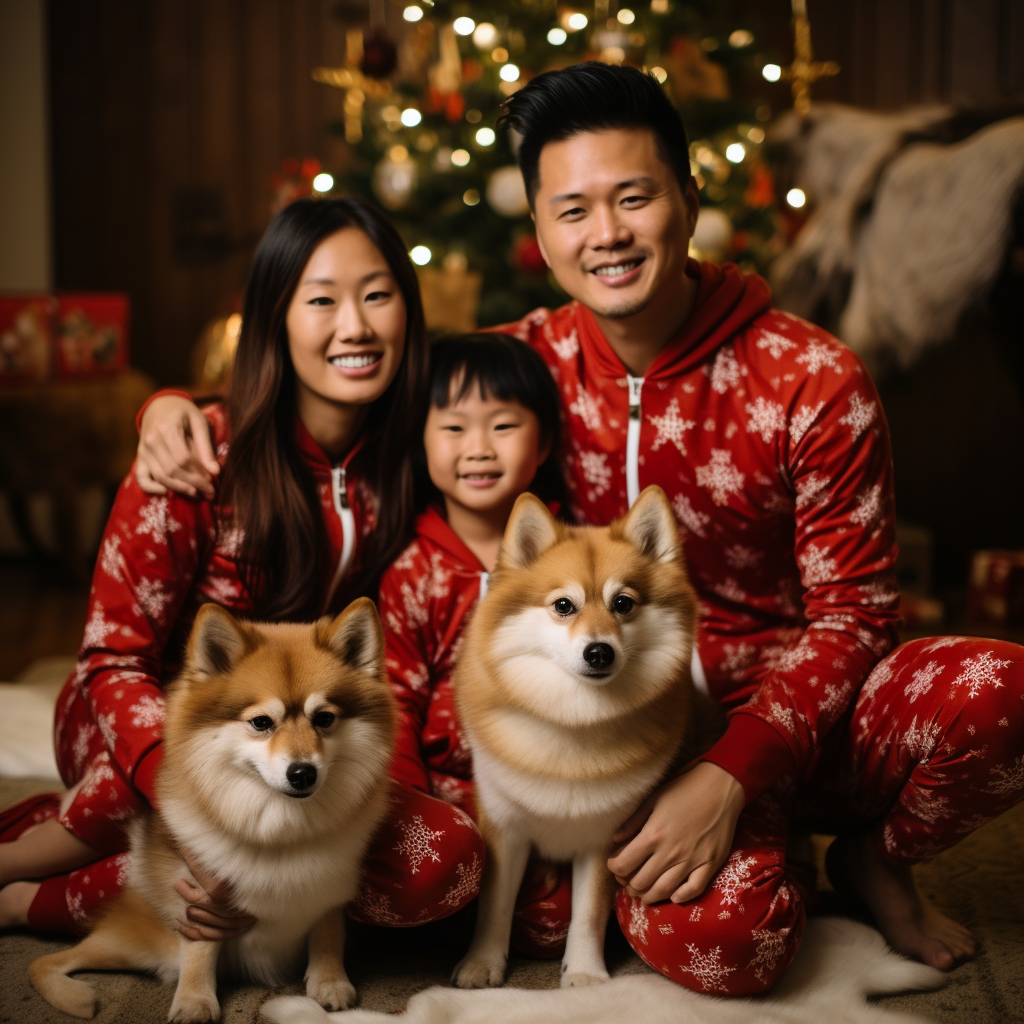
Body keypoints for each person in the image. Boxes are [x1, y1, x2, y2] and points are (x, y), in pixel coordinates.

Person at [130, 64, 1024, 994]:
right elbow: (356, 378)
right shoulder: (524, 363)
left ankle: (867, 855)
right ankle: (736, 873)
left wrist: (729, 774)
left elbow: (857, 619)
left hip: (782, 724)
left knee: (1004, 690)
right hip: (602, 747)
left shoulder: (813, 377)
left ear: (688, 194)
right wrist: (178, 404)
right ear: (541, 232)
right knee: (723, 944)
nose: (606, 235)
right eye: (572, 210)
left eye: (633, 197)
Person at [0, 196, 483, 938]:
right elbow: (111, 659)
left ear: (408, 313)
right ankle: (28, 877)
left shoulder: (427, 451)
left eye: (378, 295)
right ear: (273, 318)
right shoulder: (197, 457)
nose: (355, 325)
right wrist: (180, 788)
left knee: (437, 860)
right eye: (321, 300)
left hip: (309, 740)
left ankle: (242, 890)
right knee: (202, 822)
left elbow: (522, 367)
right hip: (152, 728)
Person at [376, 332, 573, 953]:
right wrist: (412, 806)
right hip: (449, 790)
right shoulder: (414, 572)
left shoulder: (575, 556)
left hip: (560, 787)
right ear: (422, 440)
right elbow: (394, 701)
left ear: (541, 443)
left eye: (503, 426)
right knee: (424, 865)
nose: (479, 449)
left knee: (557, 918)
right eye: (454, 428)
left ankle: (487, 905)